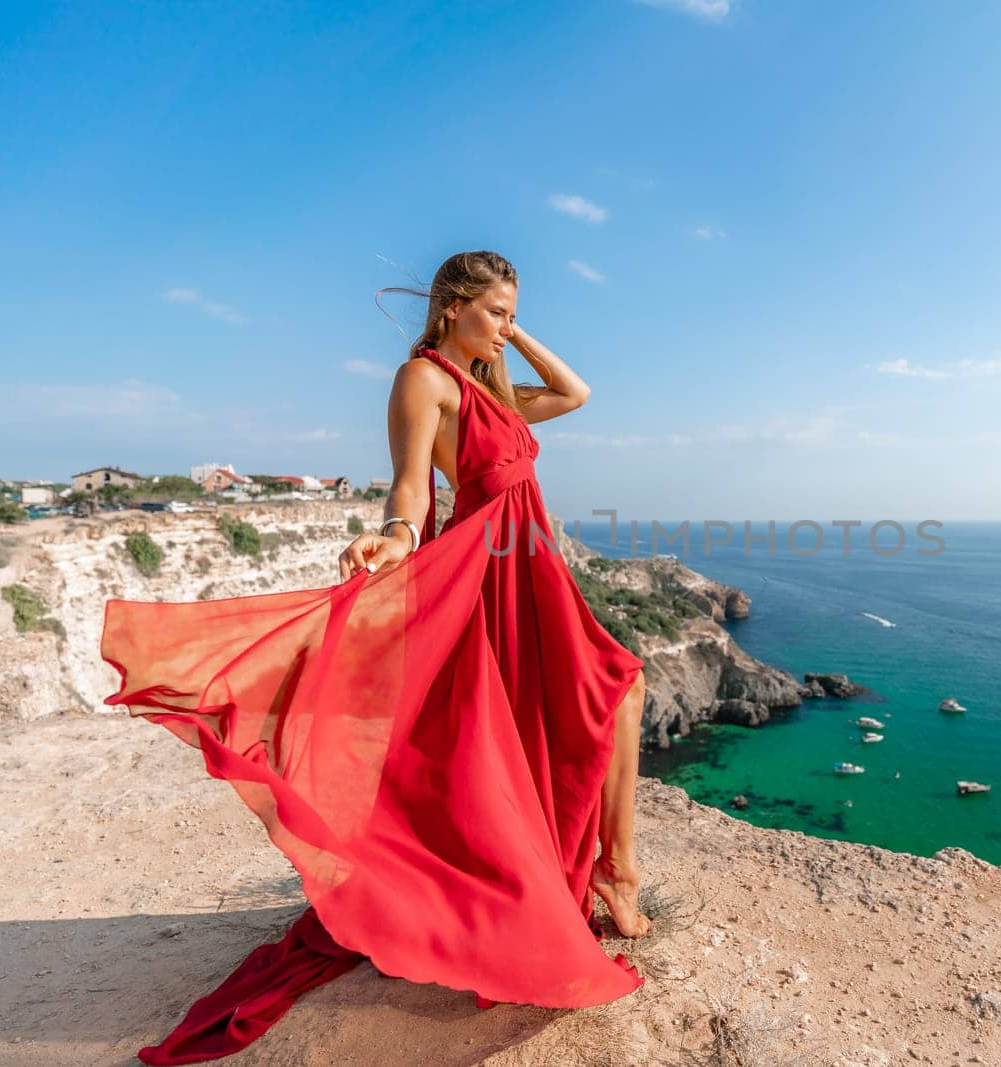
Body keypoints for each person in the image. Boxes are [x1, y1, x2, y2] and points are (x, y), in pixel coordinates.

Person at [100, 250, 651, 1063]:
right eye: (494, 310)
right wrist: (393, 538)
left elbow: (576, 394)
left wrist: (510, 329)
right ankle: (614, 878)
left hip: (532, 571)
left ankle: (613, 870)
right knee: (591, 700)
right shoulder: (422, 379)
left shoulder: (493, 389)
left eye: (510, 313)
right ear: (452, 305)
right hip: (481, 575)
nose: (503, 327)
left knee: (616, 689)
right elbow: (410, 488)